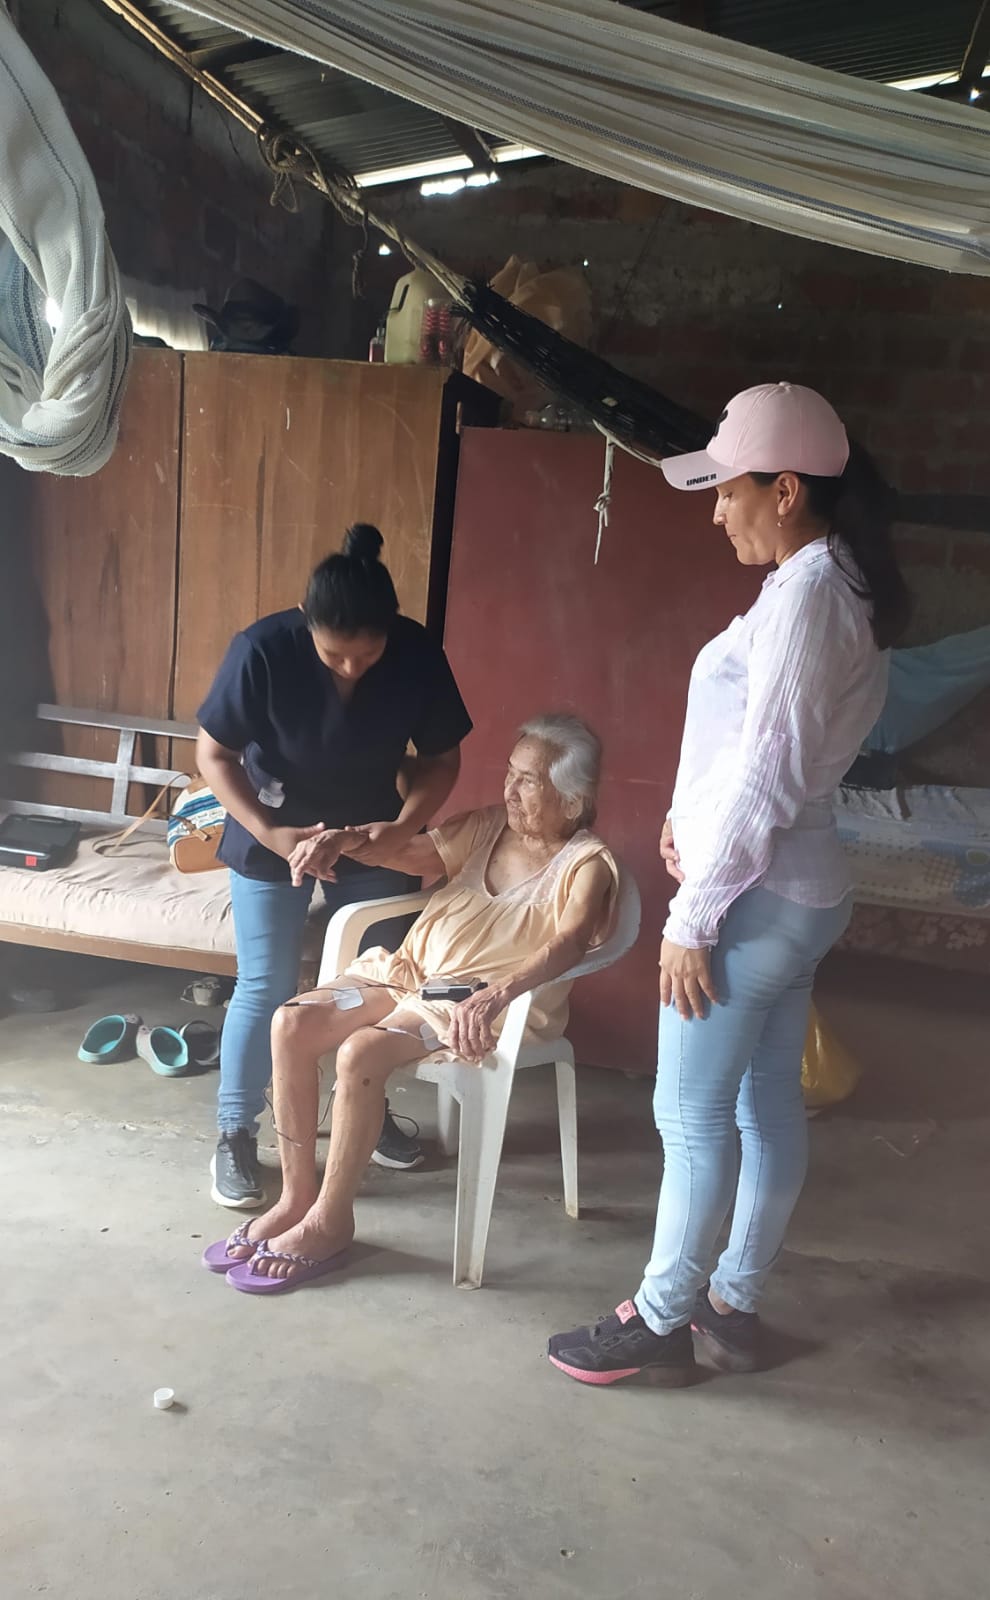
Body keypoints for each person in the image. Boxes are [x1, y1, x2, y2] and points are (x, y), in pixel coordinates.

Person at [548, 382, 910, 1386]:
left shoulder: (807, 595)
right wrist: (688, 822)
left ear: (785, 489)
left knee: (690, 1118)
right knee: (763, 1107)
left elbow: (770, 769)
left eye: (727, 490)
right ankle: (732, 1306)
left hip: (753, 901)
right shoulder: (835, 579)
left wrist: (695, 914)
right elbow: (754, 755)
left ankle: (661, 1319)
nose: (716, 512)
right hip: (795, 890)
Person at [203, 714, 617, 1293]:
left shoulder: (586, 863)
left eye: (528, 780)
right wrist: (349, 840)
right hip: (406, 974)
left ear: (573, 800)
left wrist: (498, 993)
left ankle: (330, 1221)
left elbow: (570, 942)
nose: (509, 789)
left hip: (474, 1005)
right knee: (290, 1023)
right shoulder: (489, 826)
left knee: (359, 1053)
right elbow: (413, 854)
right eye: (510, 773)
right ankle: (296, 1200)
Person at [196, 524, 472, 1208]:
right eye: (334, 655)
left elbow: (442, 759)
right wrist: (272, 834)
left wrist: (401, 828)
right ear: (306, 622)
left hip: (372, 833)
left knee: (371, 985)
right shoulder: (263, 650)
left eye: (367, 654)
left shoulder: (416, 654)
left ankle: (365, 1112)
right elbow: (214, 754)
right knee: (265, 983)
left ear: (390, 631)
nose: (351, 668)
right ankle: (235, 1131)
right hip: (271, 829)